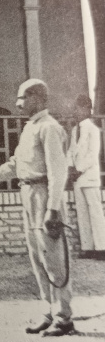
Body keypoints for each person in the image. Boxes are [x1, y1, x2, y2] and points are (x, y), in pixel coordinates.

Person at [0, 79, 72, 336]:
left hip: (45, 195)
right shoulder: (29, 129)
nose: (17, 103)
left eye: (23, 98)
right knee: (38, 258)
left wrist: (53, 209)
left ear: (37, 98)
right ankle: (48, 311)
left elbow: (58, 173)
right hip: (28, 193)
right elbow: (15, 165)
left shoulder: (49, 128)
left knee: (54, 258)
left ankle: (64, 317)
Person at [67, 94, 105, 260]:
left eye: (78, 108)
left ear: (86, 109)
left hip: (89, 176)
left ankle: (102, 247)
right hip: (78, 178)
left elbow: (92, 155)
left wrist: (79, 170)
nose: (75, 111)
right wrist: (70, 166)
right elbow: (71, 150)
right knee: (82, 213)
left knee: (95, 212)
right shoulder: (75, 130)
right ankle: (88, 247)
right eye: (75, 108)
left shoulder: (93, 129)